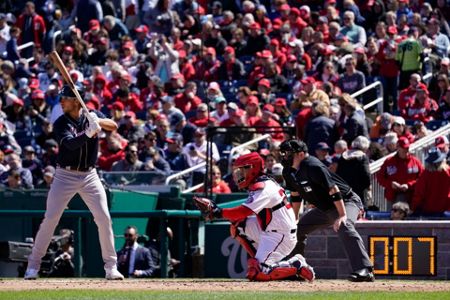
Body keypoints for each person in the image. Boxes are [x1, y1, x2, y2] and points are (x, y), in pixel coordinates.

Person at [24, 85, 124, 280]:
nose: (61, 101)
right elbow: (69, 145)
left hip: (90, 175)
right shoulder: (60, 123)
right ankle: (33, 266)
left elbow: (114, 125)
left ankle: (111, 267)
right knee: (51, 219)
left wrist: (98, 120)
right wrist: (88, 133)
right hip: (64, 175)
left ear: (77, 101)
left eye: (65, 98)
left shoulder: (91, 113)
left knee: (103, 218)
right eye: (61, 98)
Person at [193, 152, 315, 282]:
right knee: (238, 225)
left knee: (258, 273)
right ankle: (260, 262)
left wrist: (217, 212)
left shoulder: (263, 187)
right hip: (270, 229)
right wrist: (218, 212)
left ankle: (296, 264)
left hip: (281, 236)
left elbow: (244, 211)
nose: (239, 174)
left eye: (243, 169)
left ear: (253, 168)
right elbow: (242, 215)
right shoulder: (260, 183)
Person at [279, 139, 374, 282]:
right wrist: (295, 218)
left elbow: (333, 189)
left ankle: (365, 270)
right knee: (296, 229)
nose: (285, 157)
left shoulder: (313, 165)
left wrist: (342, 215)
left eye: (288, 154)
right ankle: (296, 269)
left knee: (344, 225)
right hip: (325, 207)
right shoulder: (288, 171)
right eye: (284, 153)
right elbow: (295, 195)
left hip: (346, 201)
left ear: (300, 154)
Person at [376, 137, 424, 208]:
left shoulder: (415, 162)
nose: (406, 150)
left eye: (407, 148)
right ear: (398, 148)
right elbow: (380, 177)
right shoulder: (389, 161)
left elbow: (422, 178)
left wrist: (409, 185)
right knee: (393, 216)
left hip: (410, 197)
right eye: (404, 148)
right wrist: (390, 184)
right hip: (392, 197)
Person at [411, 147, 450, 214]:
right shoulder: (448, 171)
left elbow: (419, 194)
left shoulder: (425, 174)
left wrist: (413, 208)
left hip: (429, 211)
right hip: (446, 210)